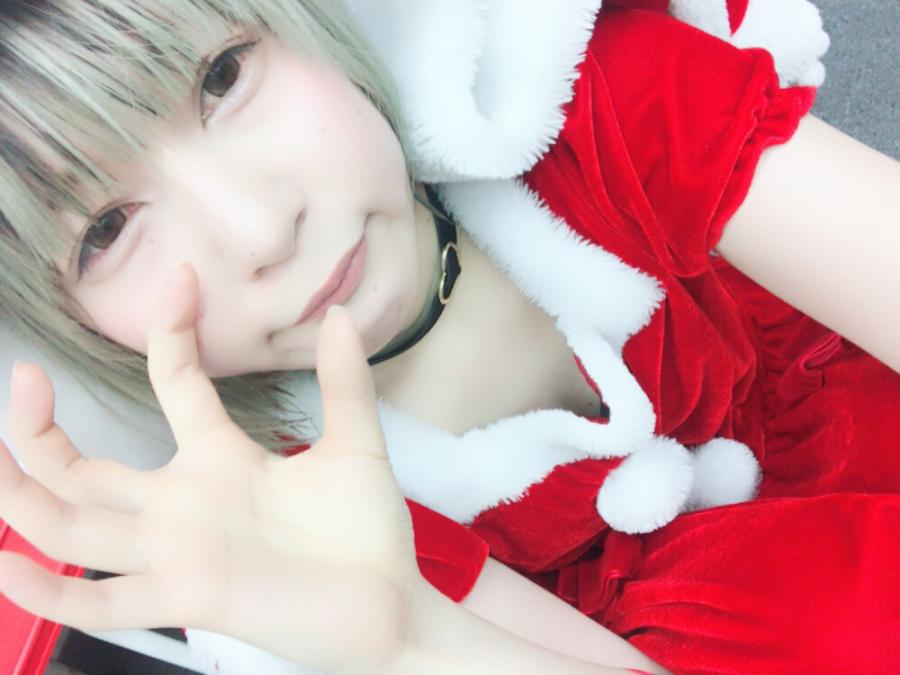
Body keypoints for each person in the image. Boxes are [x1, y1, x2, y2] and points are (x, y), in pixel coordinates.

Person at [0, 0, 897, 673]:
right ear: (72, 329)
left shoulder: (577, 98)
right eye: (106, 231)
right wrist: (412, 642)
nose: (261, 229)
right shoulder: (305, 508)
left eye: (222, 78)